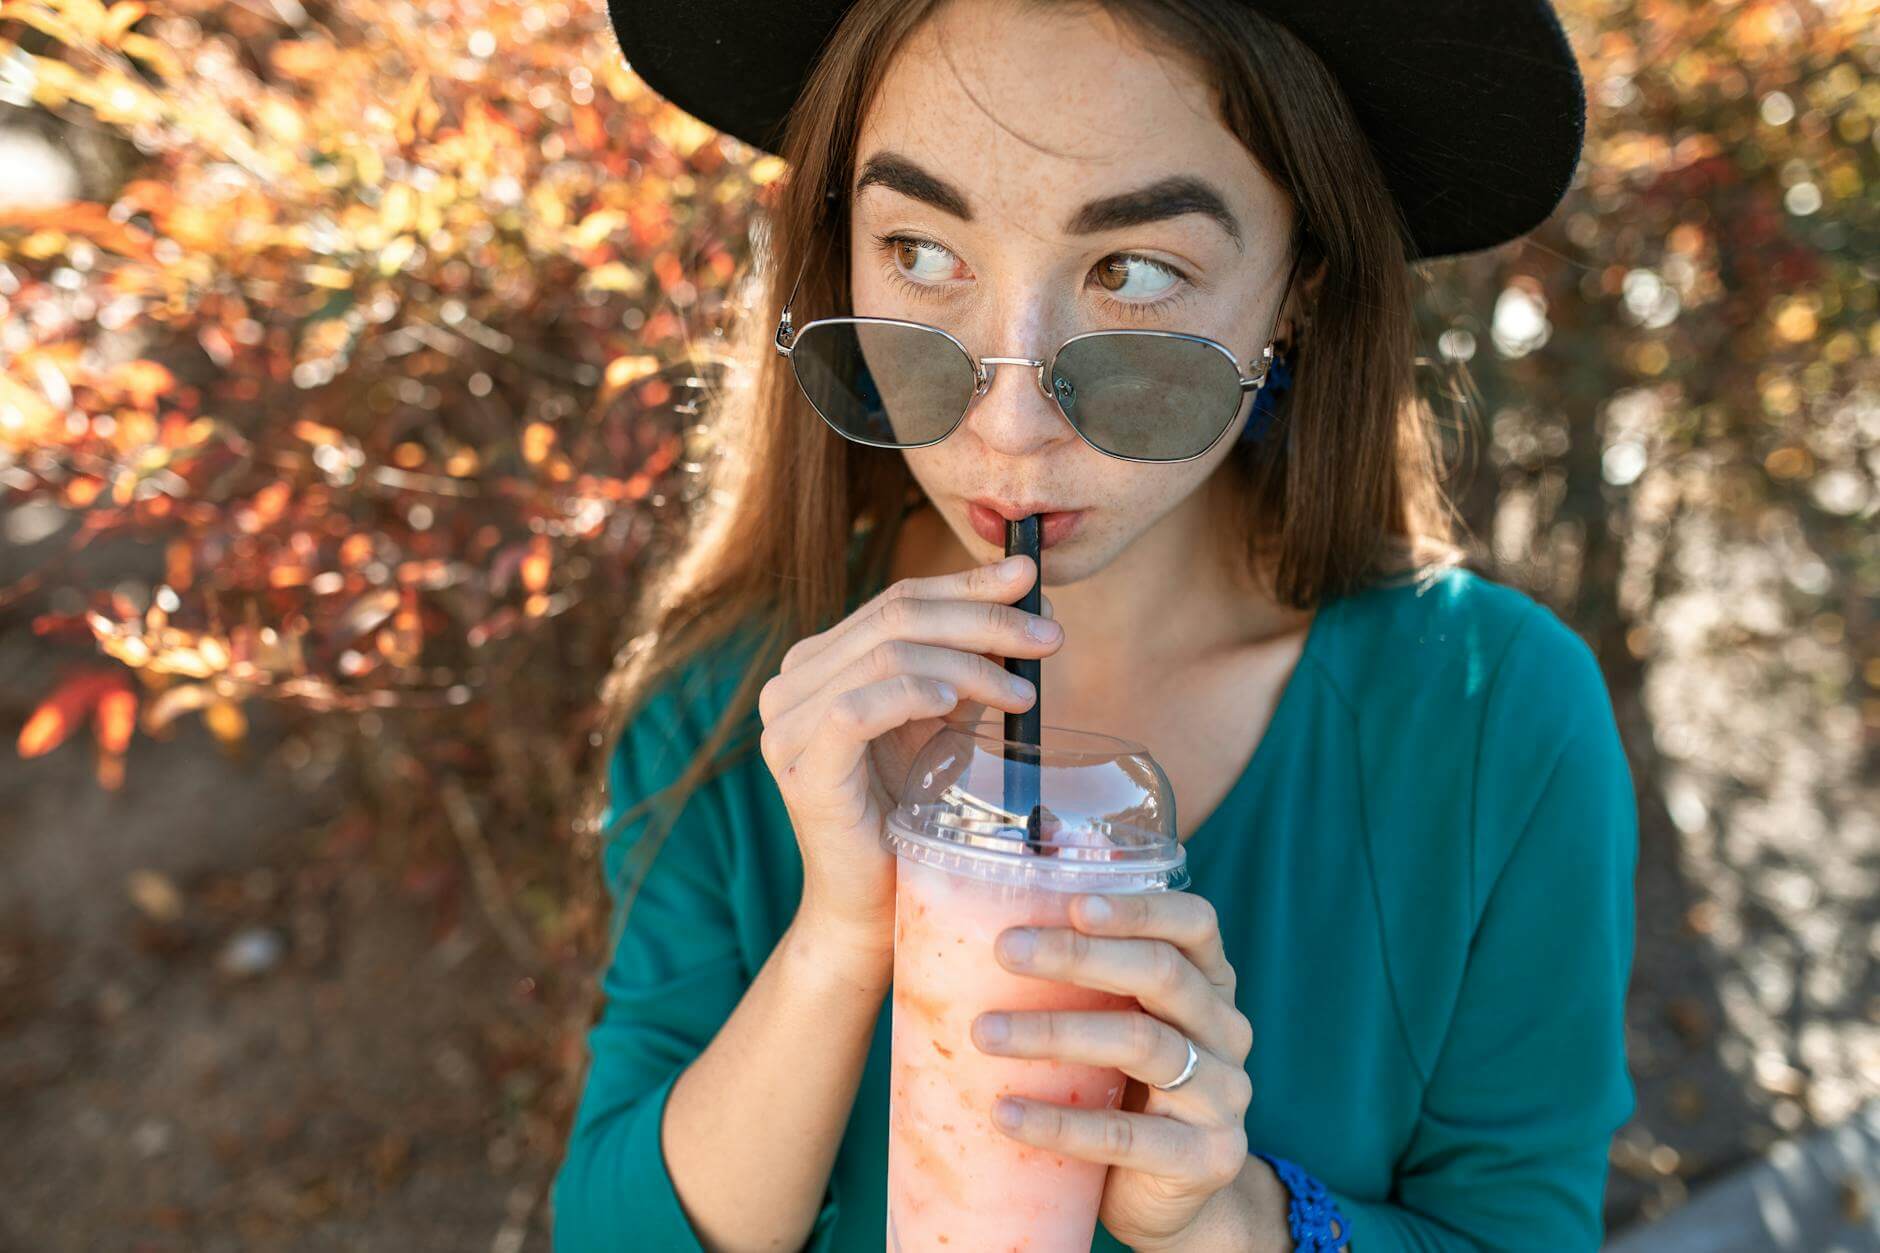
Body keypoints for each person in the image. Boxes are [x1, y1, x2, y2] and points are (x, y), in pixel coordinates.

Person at [554, 1, 1636, 1249]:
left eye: (1128, 273)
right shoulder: (739, 700)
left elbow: (1515, 1222)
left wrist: (1231, 1218)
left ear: (1301, 284)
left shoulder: (1491, 724)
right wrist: (840, 938)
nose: (1006, 426)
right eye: (917, 248)